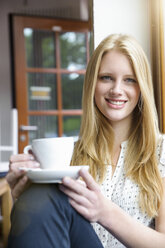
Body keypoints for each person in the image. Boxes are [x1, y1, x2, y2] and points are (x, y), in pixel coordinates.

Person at [6, 33, 165, 248]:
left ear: (142, 88)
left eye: (130, 79)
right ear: (92, 83)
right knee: (38, 193)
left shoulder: (161, 150)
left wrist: (105, 212)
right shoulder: (67, 154)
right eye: (106, 77)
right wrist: (21, 195)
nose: (116, 89)